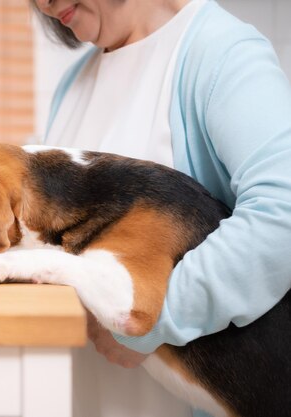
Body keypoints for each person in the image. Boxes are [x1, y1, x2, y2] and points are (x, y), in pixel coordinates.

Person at [32, 0, 291, 416]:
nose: (43, 4)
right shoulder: (73, 83)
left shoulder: (220, 52)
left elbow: (282, 216)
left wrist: (147, 319)